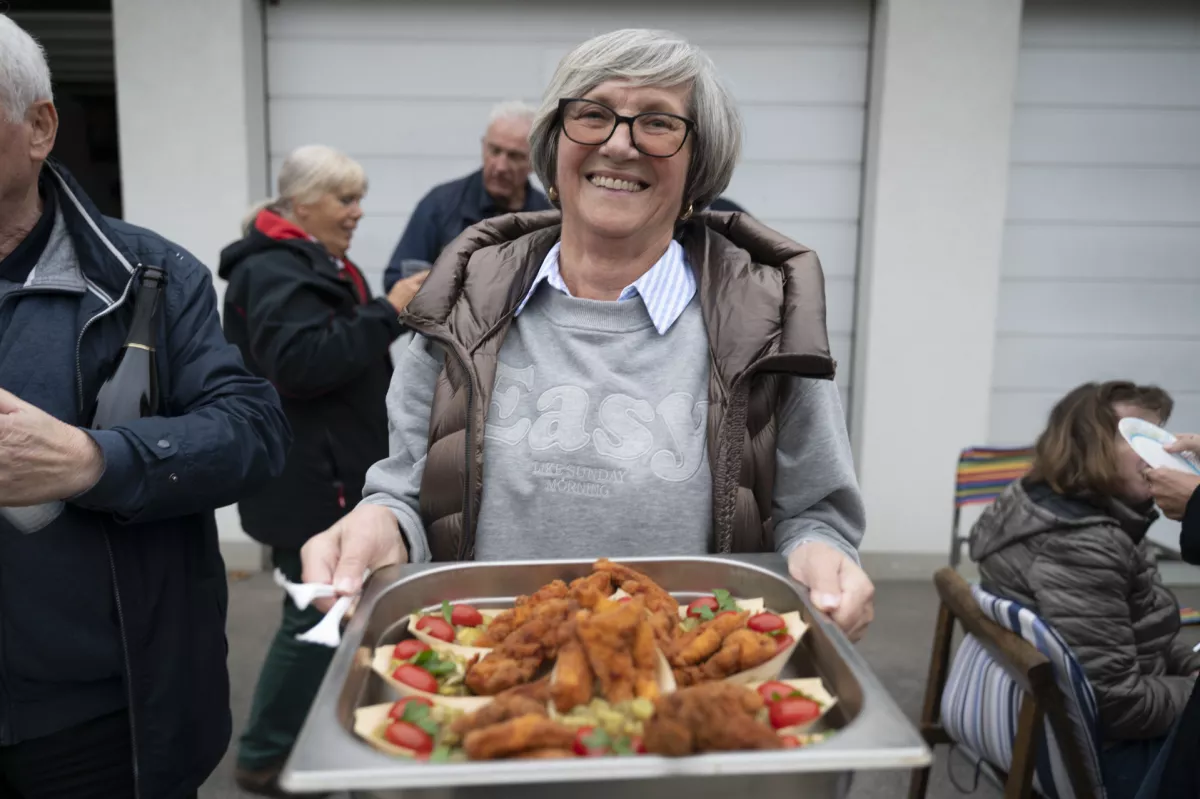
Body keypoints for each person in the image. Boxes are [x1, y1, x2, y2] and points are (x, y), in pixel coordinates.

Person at [304, 28, 875, 642]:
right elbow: (406, 495)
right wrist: (375, 524)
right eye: (593, 114)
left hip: (692, 690)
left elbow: (814, 514)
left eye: (658, 122)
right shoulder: (463, 303)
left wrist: (822, 557)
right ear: (555, 143)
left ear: (697, 165)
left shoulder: (762, 322)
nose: (619, 144)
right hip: (483, 682)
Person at [0, 15, 290, 799]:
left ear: (40, 127)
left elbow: (253, 430)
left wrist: (97, 461)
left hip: (96, 725)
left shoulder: (148, 278)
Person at [218, 144, 422, 796]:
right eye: (345, 199)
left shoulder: (310, 261)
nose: (358, 211)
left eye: (358, 197)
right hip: (309, 484)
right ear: (302, 205)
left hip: (328, 476)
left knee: (326, 616)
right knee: (312, 615)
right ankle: (265, 755)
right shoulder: (274, 269)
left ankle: (305, 745)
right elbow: (300, 363)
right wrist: (387, 310)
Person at [969, 381, 1200, 799]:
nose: (1163, 451)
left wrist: (1188, 669)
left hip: (1054, 732)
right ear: (1087, 447)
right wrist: (1193, 690)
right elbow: (1120, 705)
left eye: (1160, 433)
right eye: (1138, 436)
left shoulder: (1036, 504)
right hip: (1113, 757)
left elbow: (1136, 636)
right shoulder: (1084, 545)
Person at [382, 101, 553, 291]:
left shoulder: (548, 220)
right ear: (483, 147)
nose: (500, 166)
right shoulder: (440, 205)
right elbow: (397, 281)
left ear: (533, 161)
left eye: (514, 156)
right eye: (494, 151)